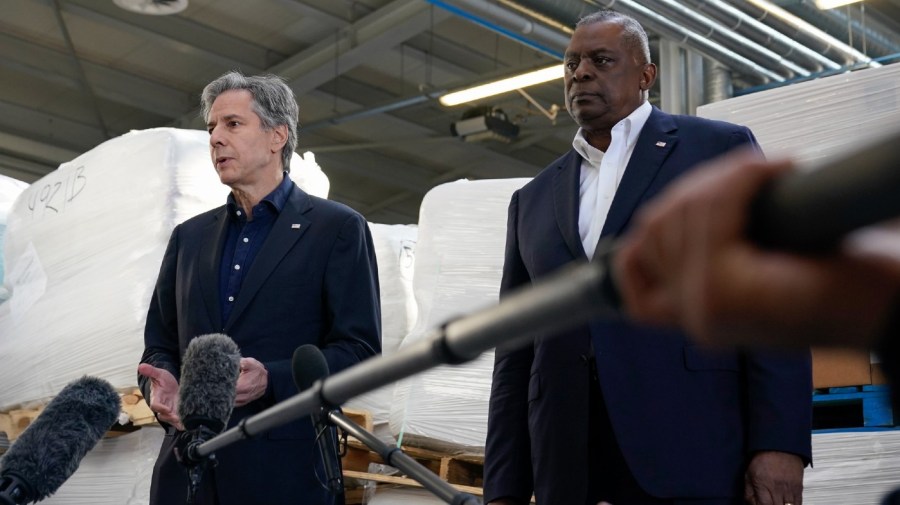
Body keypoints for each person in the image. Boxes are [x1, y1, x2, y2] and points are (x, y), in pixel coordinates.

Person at [484, 10, 812, 505]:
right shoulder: (531, 200)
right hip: (568, 465)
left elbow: (773, 299)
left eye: (601, 60)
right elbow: (515, 352)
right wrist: (504, 488)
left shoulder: (715, 150)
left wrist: (779, 444)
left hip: (691, 448)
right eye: (571, 63)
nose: (580, 73)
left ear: (646, 75)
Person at [137, 71, 381, 505]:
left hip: (285, 475)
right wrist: (161, 386)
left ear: (277, 137)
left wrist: (272, 379)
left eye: (232, 124)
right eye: (211, 127)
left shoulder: (337, 229)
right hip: (187, 473)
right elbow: (158, 345)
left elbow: (360, 351)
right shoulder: (188, 238)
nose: (215, 138)